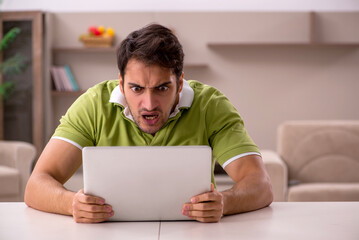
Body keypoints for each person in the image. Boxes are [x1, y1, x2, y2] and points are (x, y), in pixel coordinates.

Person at [25, 23, 273, 223]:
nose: (149, 103)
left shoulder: (211, 105)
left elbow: (260, 184)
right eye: (136, 88)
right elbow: (37, 184)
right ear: (120, 83)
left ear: (180, 83)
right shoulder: (92, 105)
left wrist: (225, 203)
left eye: (162, 88)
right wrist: (72, 204)